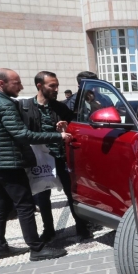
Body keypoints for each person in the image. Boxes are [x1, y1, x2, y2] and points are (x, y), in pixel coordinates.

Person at [0, 69, 71, 261]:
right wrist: (58, 136)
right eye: (17, 83)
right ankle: (37, 249)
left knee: (2, 205)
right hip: (8, 163)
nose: (21, 87)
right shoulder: (5, 105)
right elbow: (22, 135)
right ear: (1, 83)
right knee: (25, 205)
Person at [18, 71, 92, 242]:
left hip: (60, 157)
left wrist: (66, 127)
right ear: (39, 86)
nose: (56, 89)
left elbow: (74, 129)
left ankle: (81, 226)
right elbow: (23, 134)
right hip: (39, 159)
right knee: (42, 195)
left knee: (71, 192)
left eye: (57, 85)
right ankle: (49, 230)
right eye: (52, 86)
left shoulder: (60, 107)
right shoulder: (25, 107)